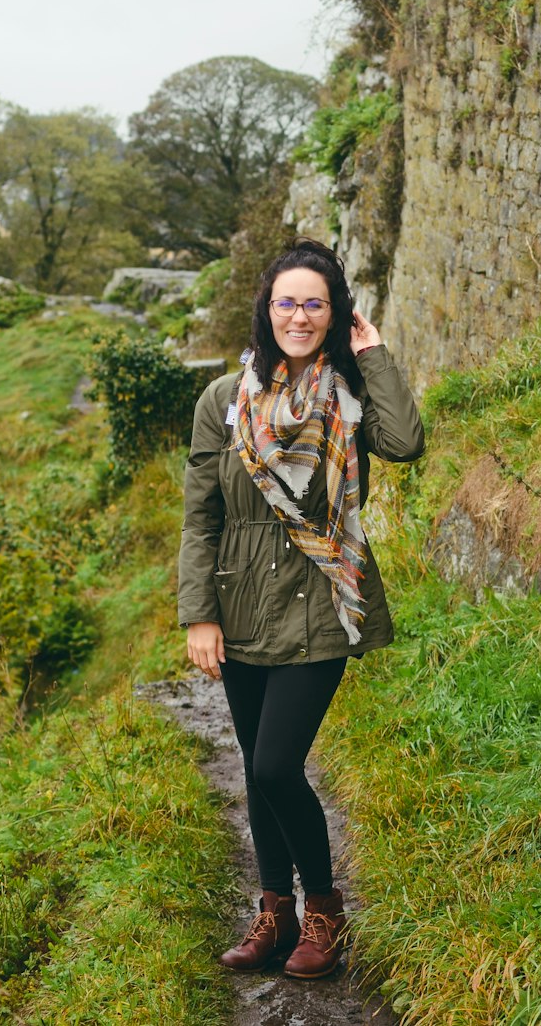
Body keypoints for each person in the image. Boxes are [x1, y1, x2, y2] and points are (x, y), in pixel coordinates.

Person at [177, 238, 424, 980]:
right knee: (257, 770)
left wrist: (372, 354)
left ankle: (323, 911)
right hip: (240, 604)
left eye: (315, 302)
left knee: (280, 763)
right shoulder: (222, 401)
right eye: (287, 301)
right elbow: (201, 519)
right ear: (266, 309)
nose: (300, 315)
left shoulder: (348, 398)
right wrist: (200, 614)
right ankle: (273, 915)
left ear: (336, 312)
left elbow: (406, 442)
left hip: (322, 601)